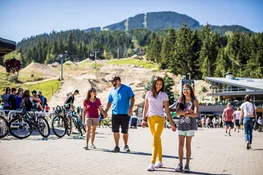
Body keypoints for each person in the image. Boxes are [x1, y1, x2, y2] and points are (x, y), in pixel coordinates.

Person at [141, 76, 176, 171]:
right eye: (157, 84)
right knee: (157, 140)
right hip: (150, 119)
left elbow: (167, 110)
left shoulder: (164, 95)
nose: (158, 86)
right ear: (154, 84)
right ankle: (160, 161)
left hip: (160, 119)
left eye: (160, 84)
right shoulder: (148, 93)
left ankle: (152, 163)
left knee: (155, 140)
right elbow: (145, 107)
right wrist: (143, 119)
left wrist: (171, 123)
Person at [105, 76, 135, 152]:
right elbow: (109, 102)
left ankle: (125, 145)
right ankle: (117, 146)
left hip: (125, 113)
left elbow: (132, 98)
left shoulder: (127, 88)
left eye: (113, 81)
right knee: (115, 131)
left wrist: (130, 108)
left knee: (125, 131)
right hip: (115, 114)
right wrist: (105, 111)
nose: (112, 83)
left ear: (117, 81)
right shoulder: (112, 91)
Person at [175, 83, 199, 172]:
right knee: (180, 145)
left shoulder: (194, 100)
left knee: (188, 145)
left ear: (190, 90)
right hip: (181, 124)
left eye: (187, 89)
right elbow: (177, 112)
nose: (185, 91)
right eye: (184, 89)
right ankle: (180, 164)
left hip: (190, 125)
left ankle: (187, 165)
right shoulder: (180, 100)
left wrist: (184, 112)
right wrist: (188, 112)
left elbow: (195, 114)